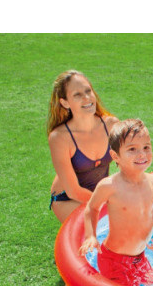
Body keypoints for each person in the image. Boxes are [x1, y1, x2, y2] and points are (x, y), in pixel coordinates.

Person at [79, 119, 153, 286]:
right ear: (115, 156)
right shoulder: (110, 186)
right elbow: (92, 208)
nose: (142, 154)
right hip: (114, 260)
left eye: (146, 147)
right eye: (132, 149)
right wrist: (91, 236)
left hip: (140, 257)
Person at [47, 70, 119, 223]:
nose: (87, 98)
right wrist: (108, 204)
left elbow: (127, 163)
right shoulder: (60, 137)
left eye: (88, 91)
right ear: (65, 103)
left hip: (98, 193)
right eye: (77, 95)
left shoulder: (111, 125)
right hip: (68, 199)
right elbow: (73, 191)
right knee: (96, 230)